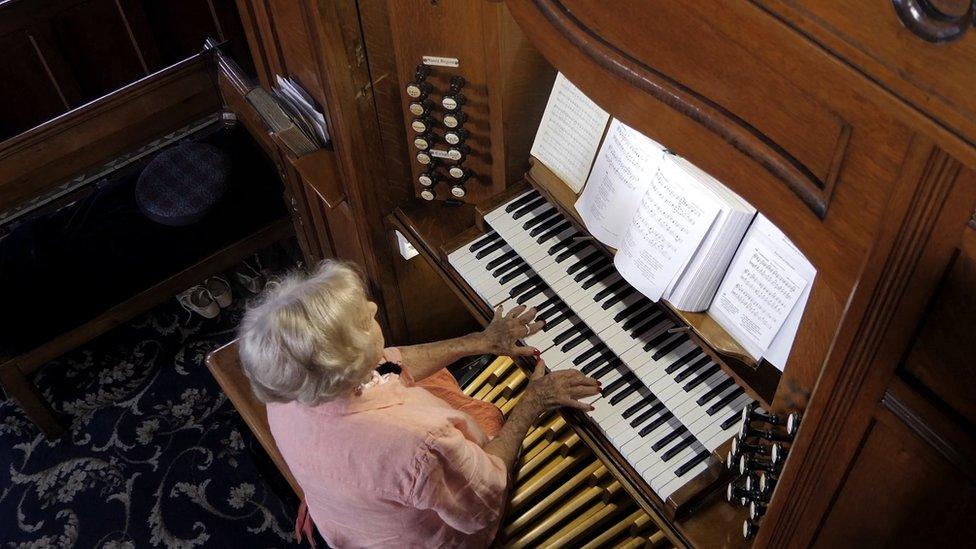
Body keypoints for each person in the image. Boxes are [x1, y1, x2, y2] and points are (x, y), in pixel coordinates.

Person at [238, 260, 601, 548]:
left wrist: (481, 341)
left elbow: (388, 363)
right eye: (364, 320)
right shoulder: (419, 442)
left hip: (350, 515)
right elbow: (484, 500)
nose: (373, 306)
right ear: (346, 363)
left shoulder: (290, 386)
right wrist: (533, 401)